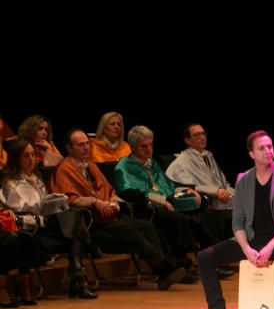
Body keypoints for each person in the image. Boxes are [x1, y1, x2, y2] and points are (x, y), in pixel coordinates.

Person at [192, 131, 274, 309]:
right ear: (251, 154)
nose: (268, 151)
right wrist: (247, 249)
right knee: (205, 257)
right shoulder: (243, 180)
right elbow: (238, 223)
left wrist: (270, 247)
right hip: (251, 239)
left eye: (270, 146)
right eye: (262, 148)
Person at [49, 129, 187, 290]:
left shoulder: (91, 166)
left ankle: (161, 270)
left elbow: (110, 191)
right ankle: (165, 266)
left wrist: (114, 202)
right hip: (91, 223)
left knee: (147, 226)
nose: (86, 147)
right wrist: (95, 202)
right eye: (81, 145)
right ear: (69, 148)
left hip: (109, 215)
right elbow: (69, 199)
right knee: (129, 230)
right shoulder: (64, 169)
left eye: (87, 143)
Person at [1, 138, 97, 299]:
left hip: (44, 226)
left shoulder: (36, 179)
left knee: (73, 214)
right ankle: (79, 278)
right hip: (29, 232)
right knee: (74, 227)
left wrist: (54, 201)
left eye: (33, 155)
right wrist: (41, 220)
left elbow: (41, 206)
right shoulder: (9, 183)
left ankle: (78, 276)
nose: (31, 159)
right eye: (26, 156)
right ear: (16, 158)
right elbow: (13, 215)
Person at [113, 125, 202, 262]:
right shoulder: (124, 166)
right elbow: (129, 193)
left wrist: (184, 189)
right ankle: (180, 261)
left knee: (201, 206)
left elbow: (167, 184)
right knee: (176, 218)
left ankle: (210, 256)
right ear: (133, 147)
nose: (149, 149)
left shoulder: (152, 162)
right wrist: (161, 201)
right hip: (143, 208)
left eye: (151, 144)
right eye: (144, 146)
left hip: (165, 202)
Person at [166, 122, 236, 243]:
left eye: (203, 134)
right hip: (204, 203)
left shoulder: (208, 155)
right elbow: (188, 186)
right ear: (187, 140)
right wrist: (216, 191)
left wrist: (234, 193)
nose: (202, 137)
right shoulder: (182, 161)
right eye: (196, 135)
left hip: (220, 199)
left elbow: (222, 182)